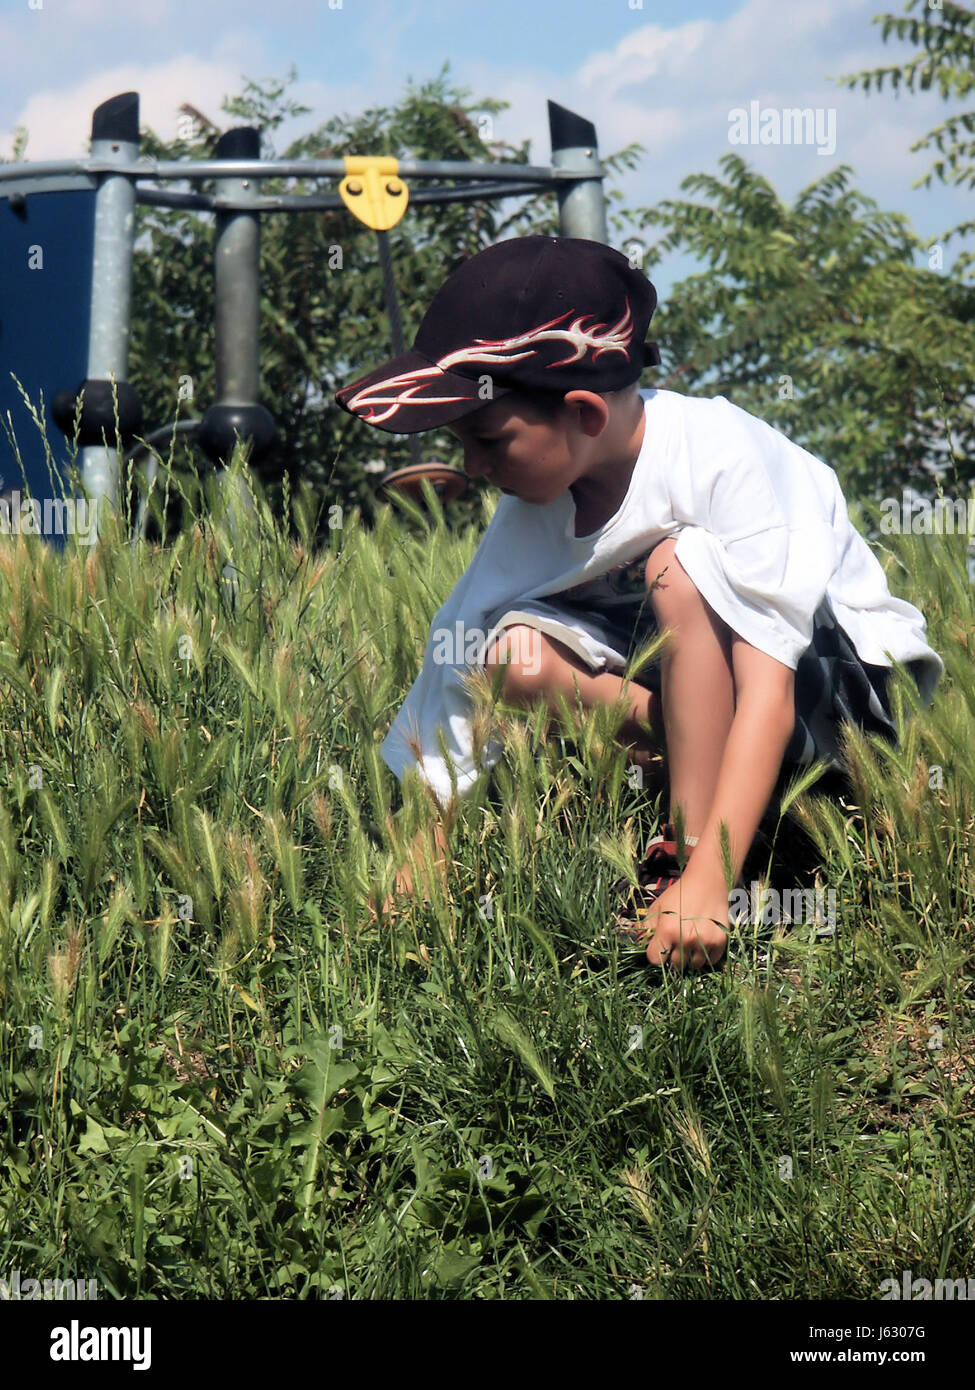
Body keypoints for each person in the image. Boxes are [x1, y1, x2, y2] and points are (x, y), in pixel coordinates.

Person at [335, 235, 942, 971]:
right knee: (503, 656)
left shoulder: (721, 454)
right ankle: (692, 760)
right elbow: (455, 645)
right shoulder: (538, 499)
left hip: (833, 706)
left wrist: (706, 880)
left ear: (585, 412)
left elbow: (767, 690)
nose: (471, 466)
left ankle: (685, 849)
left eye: (487, 439)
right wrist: (426, 846)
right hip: (703, 692)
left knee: (676, 564)